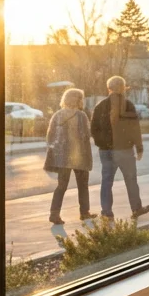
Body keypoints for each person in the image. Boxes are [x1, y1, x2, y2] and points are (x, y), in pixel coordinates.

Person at [90, 76, 149, 221]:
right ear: (123, 88)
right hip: (124, 149)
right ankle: (136, 209)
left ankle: (106, 212)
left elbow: (93, 129)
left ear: (108, 88)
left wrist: (102, 144)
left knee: (107, 181)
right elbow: (134, 128)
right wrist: (139, 147)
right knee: (131, 180)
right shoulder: (128, 105)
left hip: (106, 150)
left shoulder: (100, 106)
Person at [44, 88, 95, 225]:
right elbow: (85, 135)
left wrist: (57, 150)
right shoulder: (81, 116)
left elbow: (50, 136)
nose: (82, 101)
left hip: (63, 158)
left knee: (61, 186)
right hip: (79, 156)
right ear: (77, 100)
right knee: (83, 186)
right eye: (81, 99)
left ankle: (54, 214)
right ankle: (84, 213)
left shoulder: (57, 115)